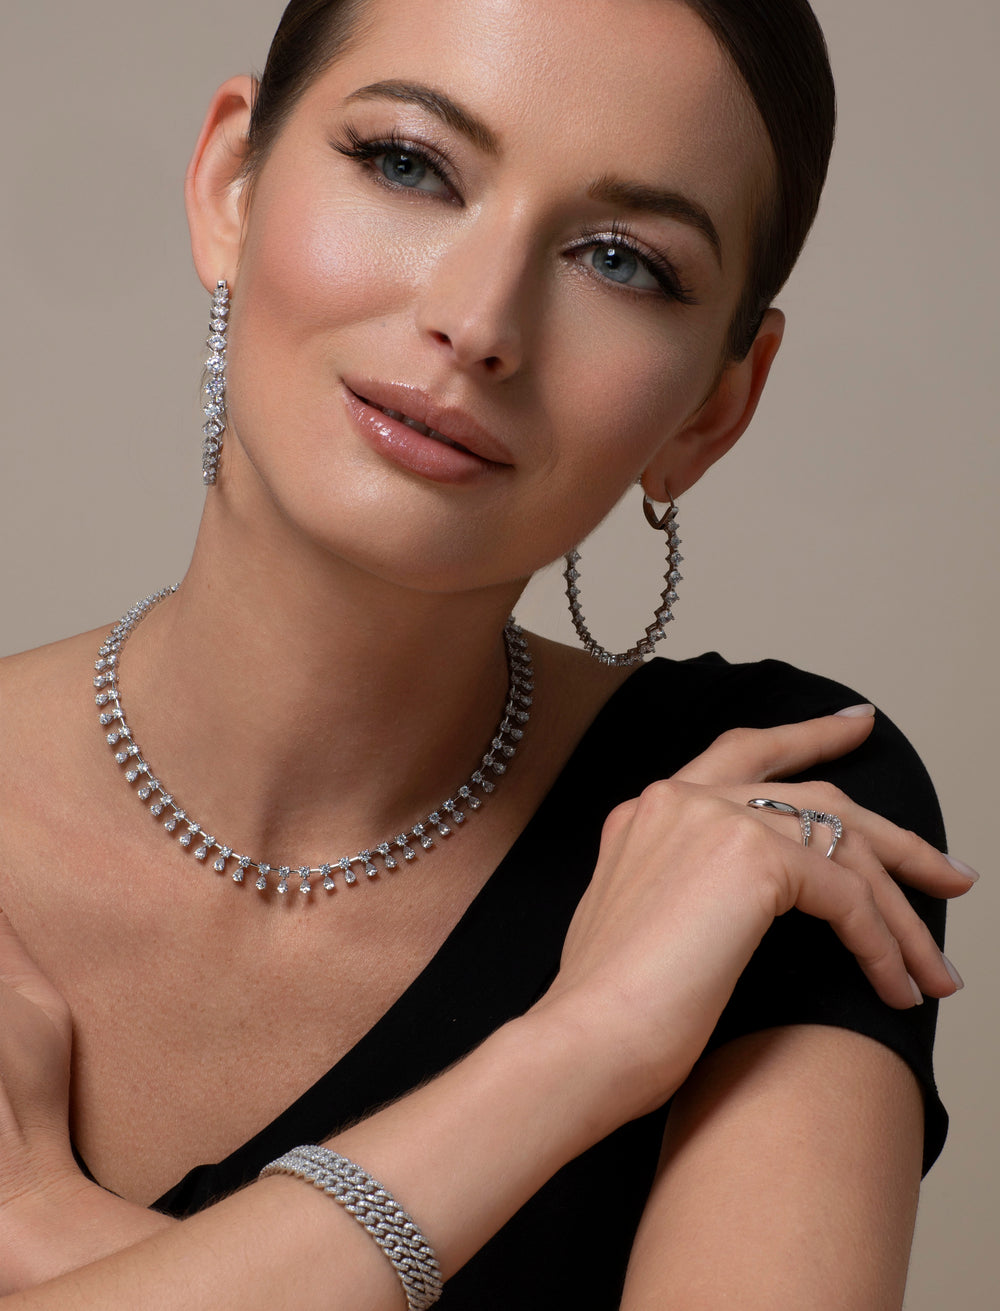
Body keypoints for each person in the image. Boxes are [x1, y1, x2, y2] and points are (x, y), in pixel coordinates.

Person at [0, 0, 978, 1306]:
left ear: (714, 408)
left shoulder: (767, 828)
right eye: (409, 165)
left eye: (622, 259)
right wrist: (577, 1057)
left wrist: (38, 1235)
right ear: (231, 183)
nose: (478, 322)